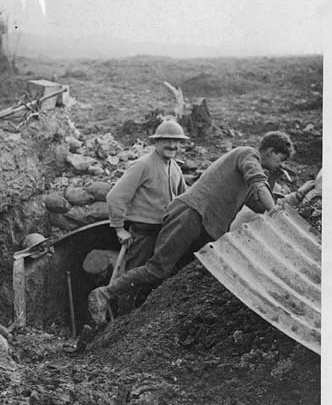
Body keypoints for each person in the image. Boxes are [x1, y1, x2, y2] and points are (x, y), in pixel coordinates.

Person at [89, 130, 308, 325]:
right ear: (269, 151)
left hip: (206, 225)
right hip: (191, 213)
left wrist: (286, 186)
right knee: (158, 269)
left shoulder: (251, 179)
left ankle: (145, 320)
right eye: (281, 159)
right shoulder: (247, 154)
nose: (281, 165)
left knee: (184, 274)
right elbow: (258, 185)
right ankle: (105, 294)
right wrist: (275, 210)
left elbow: (260, 203)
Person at [105, 119, 189, 309]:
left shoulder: (175, 168)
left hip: (165, 234)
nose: (172, 145)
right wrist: (119, 229)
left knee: (156, 280)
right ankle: (121, 321)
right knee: (132, 281)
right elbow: (115, 196)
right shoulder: (142, 165)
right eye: (167, 141)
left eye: (176, 142)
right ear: (156, 142)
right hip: (143, 234)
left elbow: (185, 198)